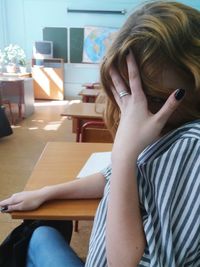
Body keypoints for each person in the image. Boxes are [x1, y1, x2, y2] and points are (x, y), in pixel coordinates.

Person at [1, 1, 200, 266]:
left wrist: (123, 156)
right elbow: (114, 177)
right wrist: (46, 192)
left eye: (147, 96)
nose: (131, 110)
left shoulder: (189, 146)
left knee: (33, 238)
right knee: (41, 233)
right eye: (125, 93)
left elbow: (123, 262)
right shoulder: (165, 132)